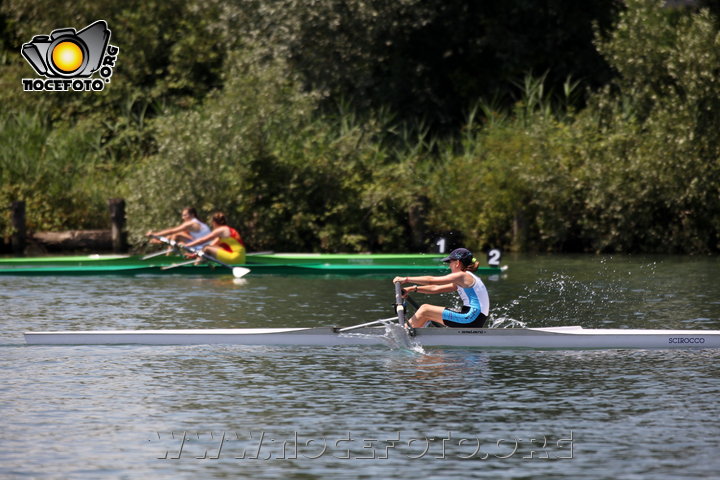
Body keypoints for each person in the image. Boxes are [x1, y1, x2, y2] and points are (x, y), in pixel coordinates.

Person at [393, 248, 490, 328]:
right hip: (476, 319)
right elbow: (436, 288)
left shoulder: (462, 276)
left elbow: (431, 280)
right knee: (429, 312)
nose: (449, 266)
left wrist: (405, 279)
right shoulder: (466, 278)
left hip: (471, 318)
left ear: (457, 263)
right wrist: (412, 289)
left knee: (425, 309)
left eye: (450, 262)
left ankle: (404, 333)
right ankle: (413, 331)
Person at [182, 212, 246, 264]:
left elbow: (202, 240)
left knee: (207, 248)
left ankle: (196, 268)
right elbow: (212, 246)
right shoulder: (227, 231)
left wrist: (185, 246)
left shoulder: (221, 229)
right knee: (209, 248)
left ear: (214, 223)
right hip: (241, 258)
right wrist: (195, 254)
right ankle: (200, 265)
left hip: (234, 258)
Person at [146, 207, 212, 245]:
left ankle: (169, 257)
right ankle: (161, 244)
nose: (183, 218)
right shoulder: (198, 222)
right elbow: (174, 234)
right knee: (178, 235)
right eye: (182, 215)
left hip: (203, 246)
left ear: (192, 215)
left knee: (177, 235)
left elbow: (172, 231)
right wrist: (159, 239)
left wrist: (154, 234)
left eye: (185, 215)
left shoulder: (191, 223)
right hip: (200, 243)